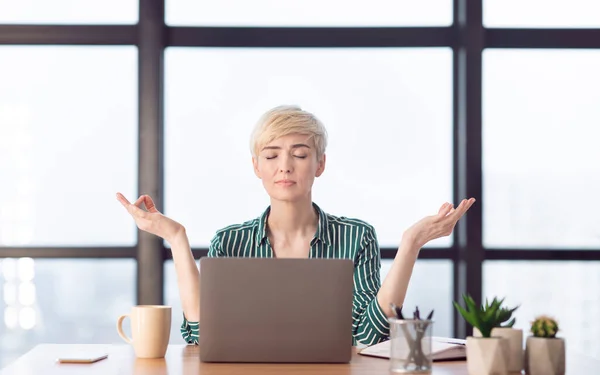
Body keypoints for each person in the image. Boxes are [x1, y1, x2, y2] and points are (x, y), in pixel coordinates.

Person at [116, 105, 475, 346]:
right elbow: (201, 334)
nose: (285, 166)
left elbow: (370, 336)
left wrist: (410, 244)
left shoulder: (356, 236)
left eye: (300, 154)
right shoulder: (230, 242)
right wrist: (176, 238)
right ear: (257, 167)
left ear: (320, 164)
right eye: (271, 155)